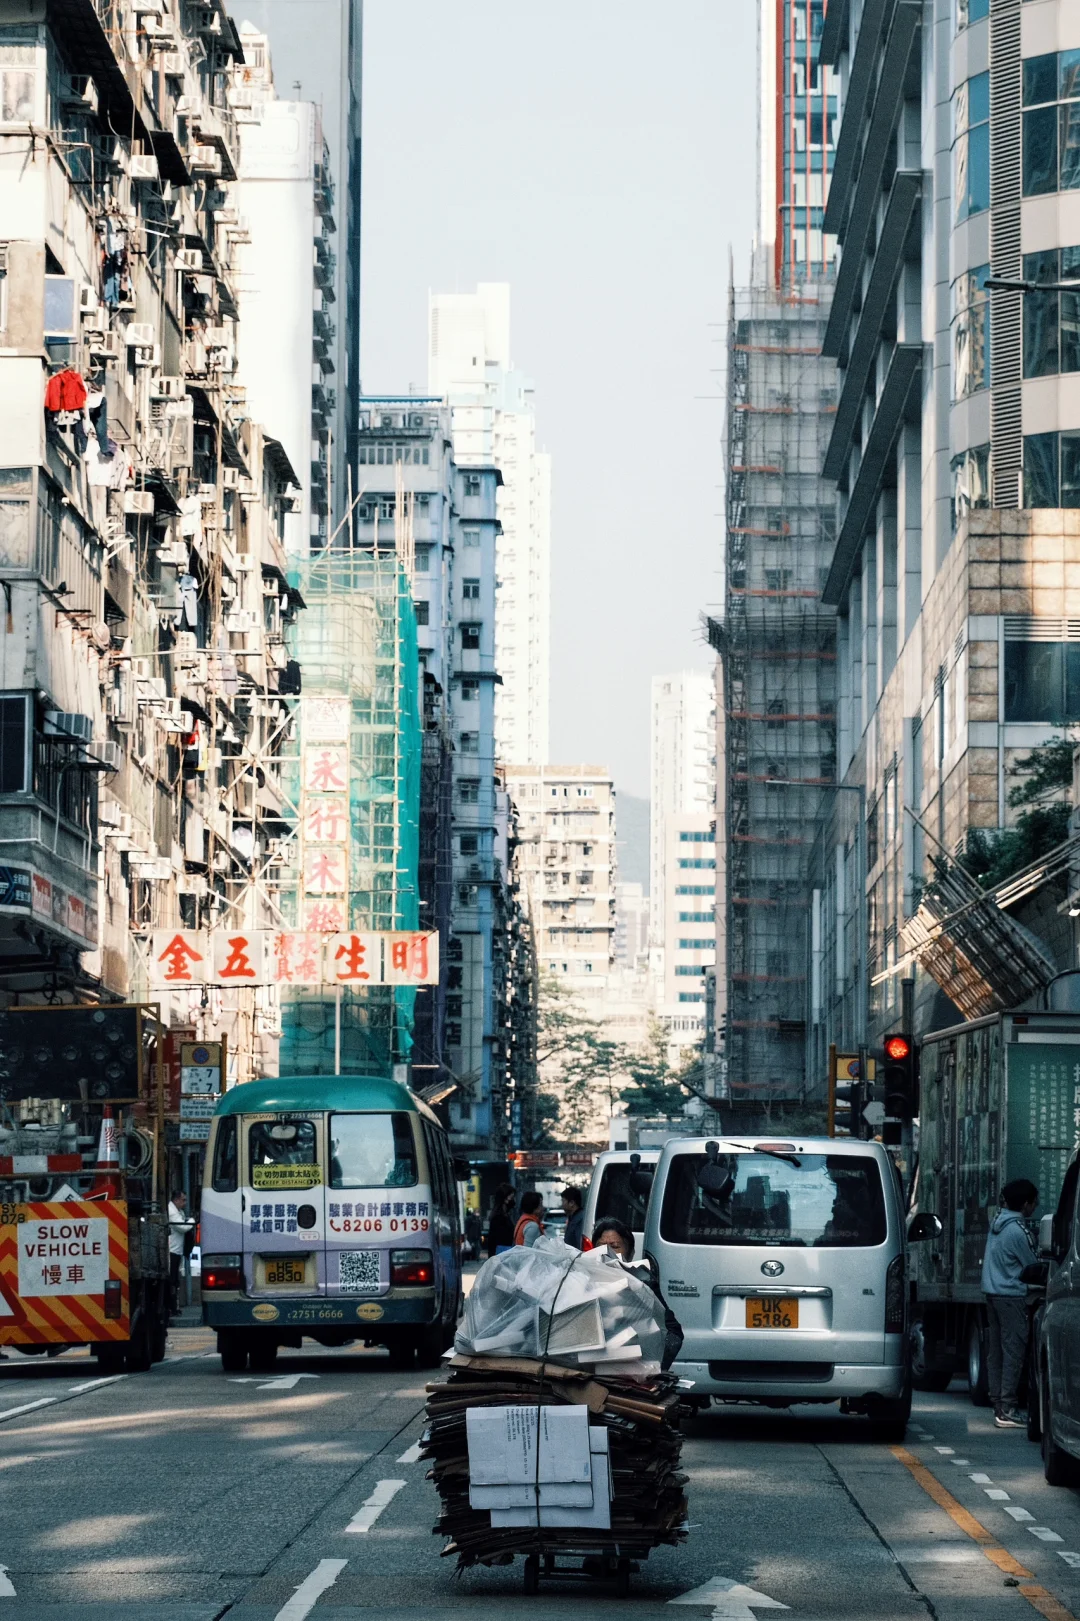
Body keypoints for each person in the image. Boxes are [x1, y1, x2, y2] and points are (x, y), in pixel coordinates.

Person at [981, 1177, 1039, 1428]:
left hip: (992, 1295)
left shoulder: (997, 1224)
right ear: (1025, 1204)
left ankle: (998, 1403)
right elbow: (1034, 1266)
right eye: (1034, 1203)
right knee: (1014, 1352)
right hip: (1012, 1297)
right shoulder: (1018, 1230)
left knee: (997, 1352)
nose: (1035, 1207)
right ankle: (1008, 1409)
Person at [592, 1216, 684, 1371]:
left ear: (631, 1252)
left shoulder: (644, 1283)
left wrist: (652, 1365)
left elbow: (673, 1333)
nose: (607, 1253)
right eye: (601, 1246)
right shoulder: (582, 1282)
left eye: (615, 1247)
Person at [167, 1190, 195, 1316]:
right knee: (172, 1280)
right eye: (183, 1200)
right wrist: (193, 1220)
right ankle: (172, 1308)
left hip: (177, 1250)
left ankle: (174, 1307)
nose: (185, 1203)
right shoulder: (171, 1211)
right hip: (172, 1250)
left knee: (175, 1280)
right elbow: (183, 1227)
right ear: (176, 1200)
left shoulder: (179, 1212)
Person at [486, 1183, 516, 1257]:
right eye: (510, 1197)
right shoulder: (498, 1217)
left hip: (505, 1252)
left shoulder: (504, 1215)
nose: (512, 1200)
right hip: (501, 1254)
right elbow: (492, 1241)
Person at [562, 1185, 585, 1249]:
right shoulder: (573, 1218)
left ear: (571, 1203)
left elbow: (579, 1244)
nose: (562, 1205)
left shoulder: (580, 1219)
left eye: (563, 1201)